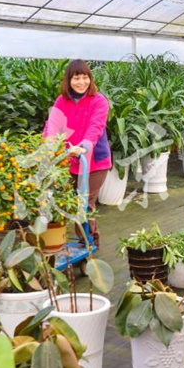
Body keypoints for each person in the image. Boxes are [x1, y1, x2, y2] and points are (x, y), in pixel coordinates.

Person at [43, 59, 111, 249]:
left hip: (94, 162)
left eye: (85, 77)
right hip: (69, 160)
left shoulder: (99, 101)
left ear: (90, 78)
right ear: (68, 80)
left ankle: (89, 241)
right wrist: (46, 147)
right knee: (67, 202)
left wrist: (86, 144)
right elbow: (52, 125)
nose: (81, 82)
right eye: (76, 78)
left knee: (85, 203)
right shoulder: (62, 101)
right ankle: (62, 239)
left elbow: (96, 126)